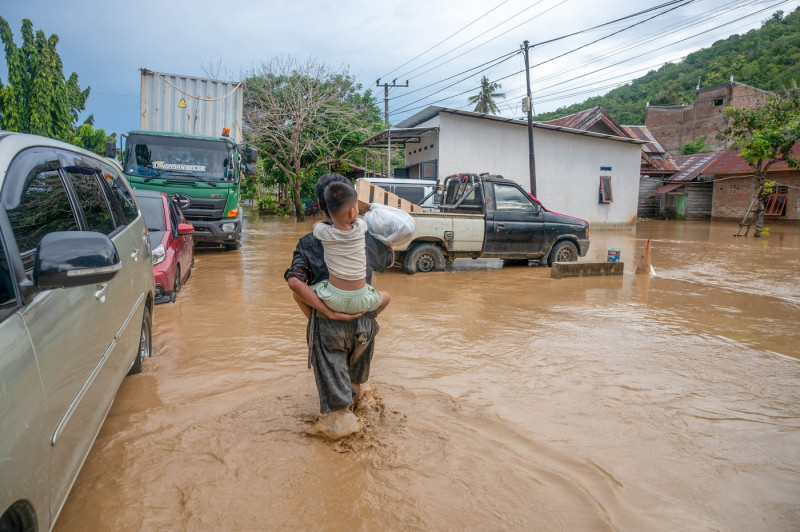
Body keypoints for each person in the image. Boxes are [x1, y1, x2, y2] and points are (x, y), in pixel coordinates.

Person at [284, 174, 394, 440]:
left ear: (322, 207)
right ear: (352, 207)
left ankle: (341, 443)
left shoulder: (310, 241)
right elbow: (388, 261)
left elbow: (294, 281)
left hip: (328, 323)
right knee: (355, 383)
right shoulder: (364, 234)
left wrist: (327, 313)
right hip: (364, 319)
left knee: (336, 402)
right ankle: (359, 429)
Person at [299, 181, 390, 317]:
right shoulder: (361, 227)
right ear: (353, 212)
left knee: (299, 294)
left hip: (332, 299)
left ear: (323, 207)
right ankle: (366, 318)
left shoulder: (323, 232)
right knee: (387, 297)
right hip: (362, 299)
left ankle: (314, 321)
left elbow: (316, 225)